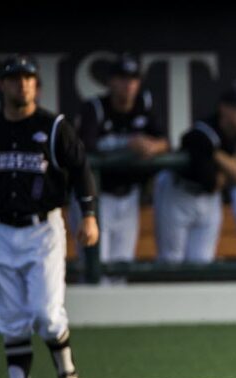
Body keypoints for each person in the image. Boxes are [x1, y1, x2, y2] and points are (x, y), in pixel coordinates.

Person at [0, 55, 99, 378]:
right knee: (10, 319)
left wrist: (87, 214)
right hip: (2, 230)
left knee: (45, 313)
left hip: (42, 229)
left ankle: (68, 375)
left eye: (27, 78)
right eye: (14, 79)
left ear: (35, 85)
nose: (21, 85)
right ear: (3, 85)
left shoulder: (52, 126)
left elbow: (81, 169)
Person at [75, 53, 169, 265]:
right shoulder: (95, 108)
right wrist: (126, 144)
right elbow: (86, 147)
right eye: (122, 78)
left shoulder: (143, 105)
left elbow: (166, 142)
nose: (128, 85)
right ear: (111, 81)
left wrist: (152, 146)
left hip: (128, 197)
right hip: (97, 198)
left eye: (133, 79)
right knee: (95, 264)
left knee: (121, 266)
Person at [154, 81, 236, 264]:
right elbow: (211, 181)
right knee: (171, 259)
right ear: (224, 109)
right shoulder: (203, 131)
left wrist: (217, 155)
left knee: (202, 260)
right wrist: (233, 162)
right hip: (179, 194)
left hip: (210, 201)